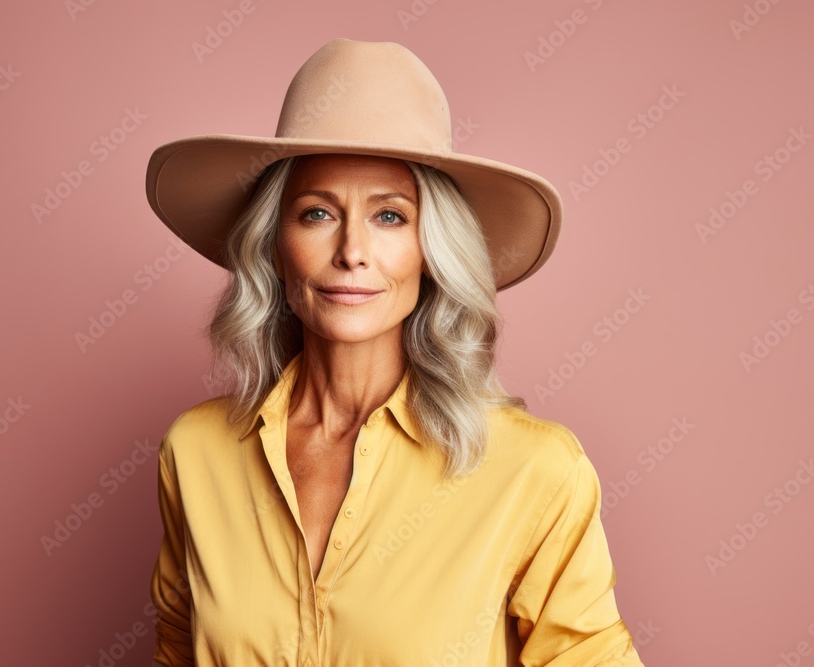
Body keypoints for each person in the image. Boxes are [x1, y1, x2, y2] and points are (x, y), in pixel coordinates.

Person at [144, 38, 645, 666]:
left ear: (432, 251)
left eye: (389, 218)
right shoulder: (196, 452)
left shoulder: (535, 471)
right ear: (273, 244)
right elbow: (177, 646)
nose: (352, 252)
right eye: (317, 213)